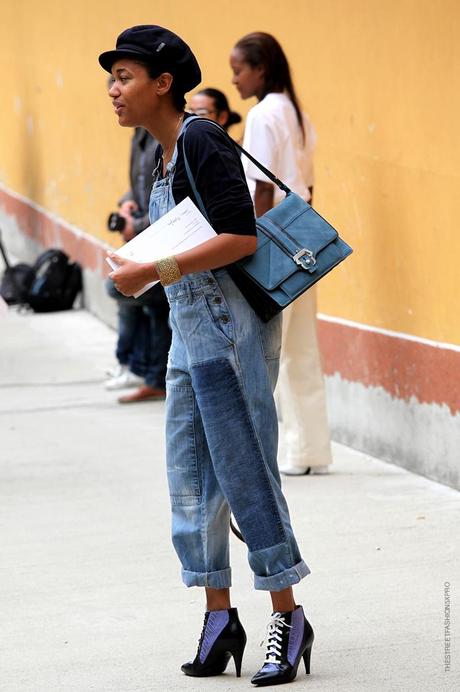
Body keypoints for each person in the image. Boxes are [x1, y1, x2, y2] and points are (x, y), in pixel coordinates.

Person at [99, 24, 314, 686]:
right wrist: (136, 258)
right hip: (188, 336)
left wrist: (151, 269)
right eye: (111, 78)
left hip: (229, 334)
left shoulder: (198, 136)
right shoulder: (163, 152)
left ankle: (288, 613)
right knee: (190, 481)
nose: (113, 88)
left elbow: (240, 237)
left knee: (245, 474)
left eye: (125, 77)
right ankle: (218, 616)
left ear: (164, 84)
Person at [230, 32, 333, 476]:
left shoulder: (261, 115)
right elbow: (306, 181)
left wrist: (251, 246)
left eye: (238, 70)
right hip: (303, 234)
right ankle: (311, 450)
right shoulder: (299, 113)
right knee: (302, 348)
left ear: (261, 69)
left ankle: (282, 452)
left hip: (271, 236)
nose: (234, 79)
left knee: (267, 351)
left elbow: (260, 186)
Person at [105, 125, 172, 403]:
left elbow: (178, 203)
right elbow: (140, 185)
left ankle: (148, 371)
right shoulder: (142, 133)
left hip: (167, 245)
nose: (115, 92)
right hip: (157, 247)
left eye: (125, 79)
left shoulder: (187, 136)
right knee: (137, 297)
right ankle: (146, 371)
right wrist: (127, 206)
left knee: (154, 304)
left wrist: (140, 226)